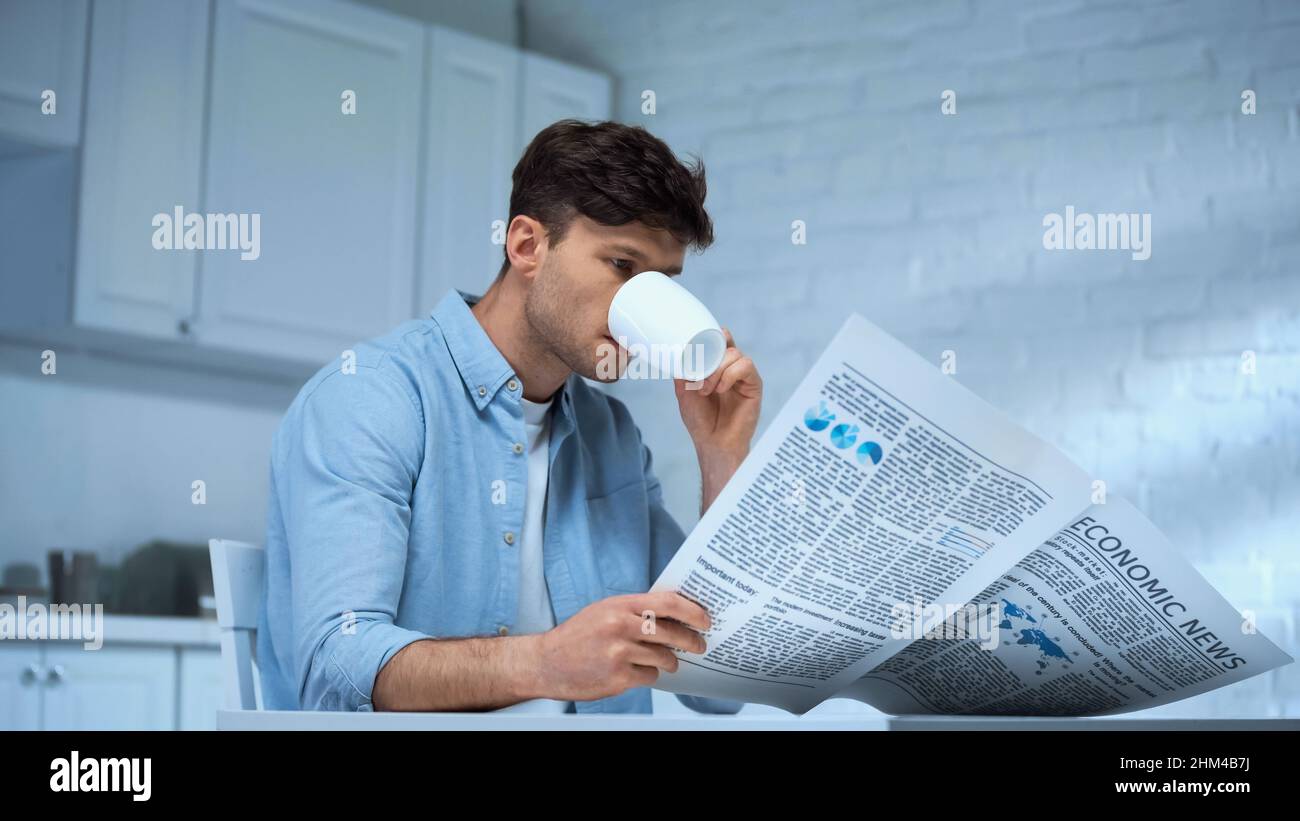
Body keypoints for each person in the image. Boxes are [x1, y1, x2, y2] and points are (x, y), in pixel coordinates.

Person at [257, 119, 762, 714]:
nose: (641, 303)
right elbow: (336, 670)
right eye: (623, 266)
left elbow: (718, 684)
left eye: (663, 282)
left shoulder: (613, 438)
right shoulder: (372, 399)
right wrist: (546, 662)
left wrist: (721, 456)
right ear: (527, 246)